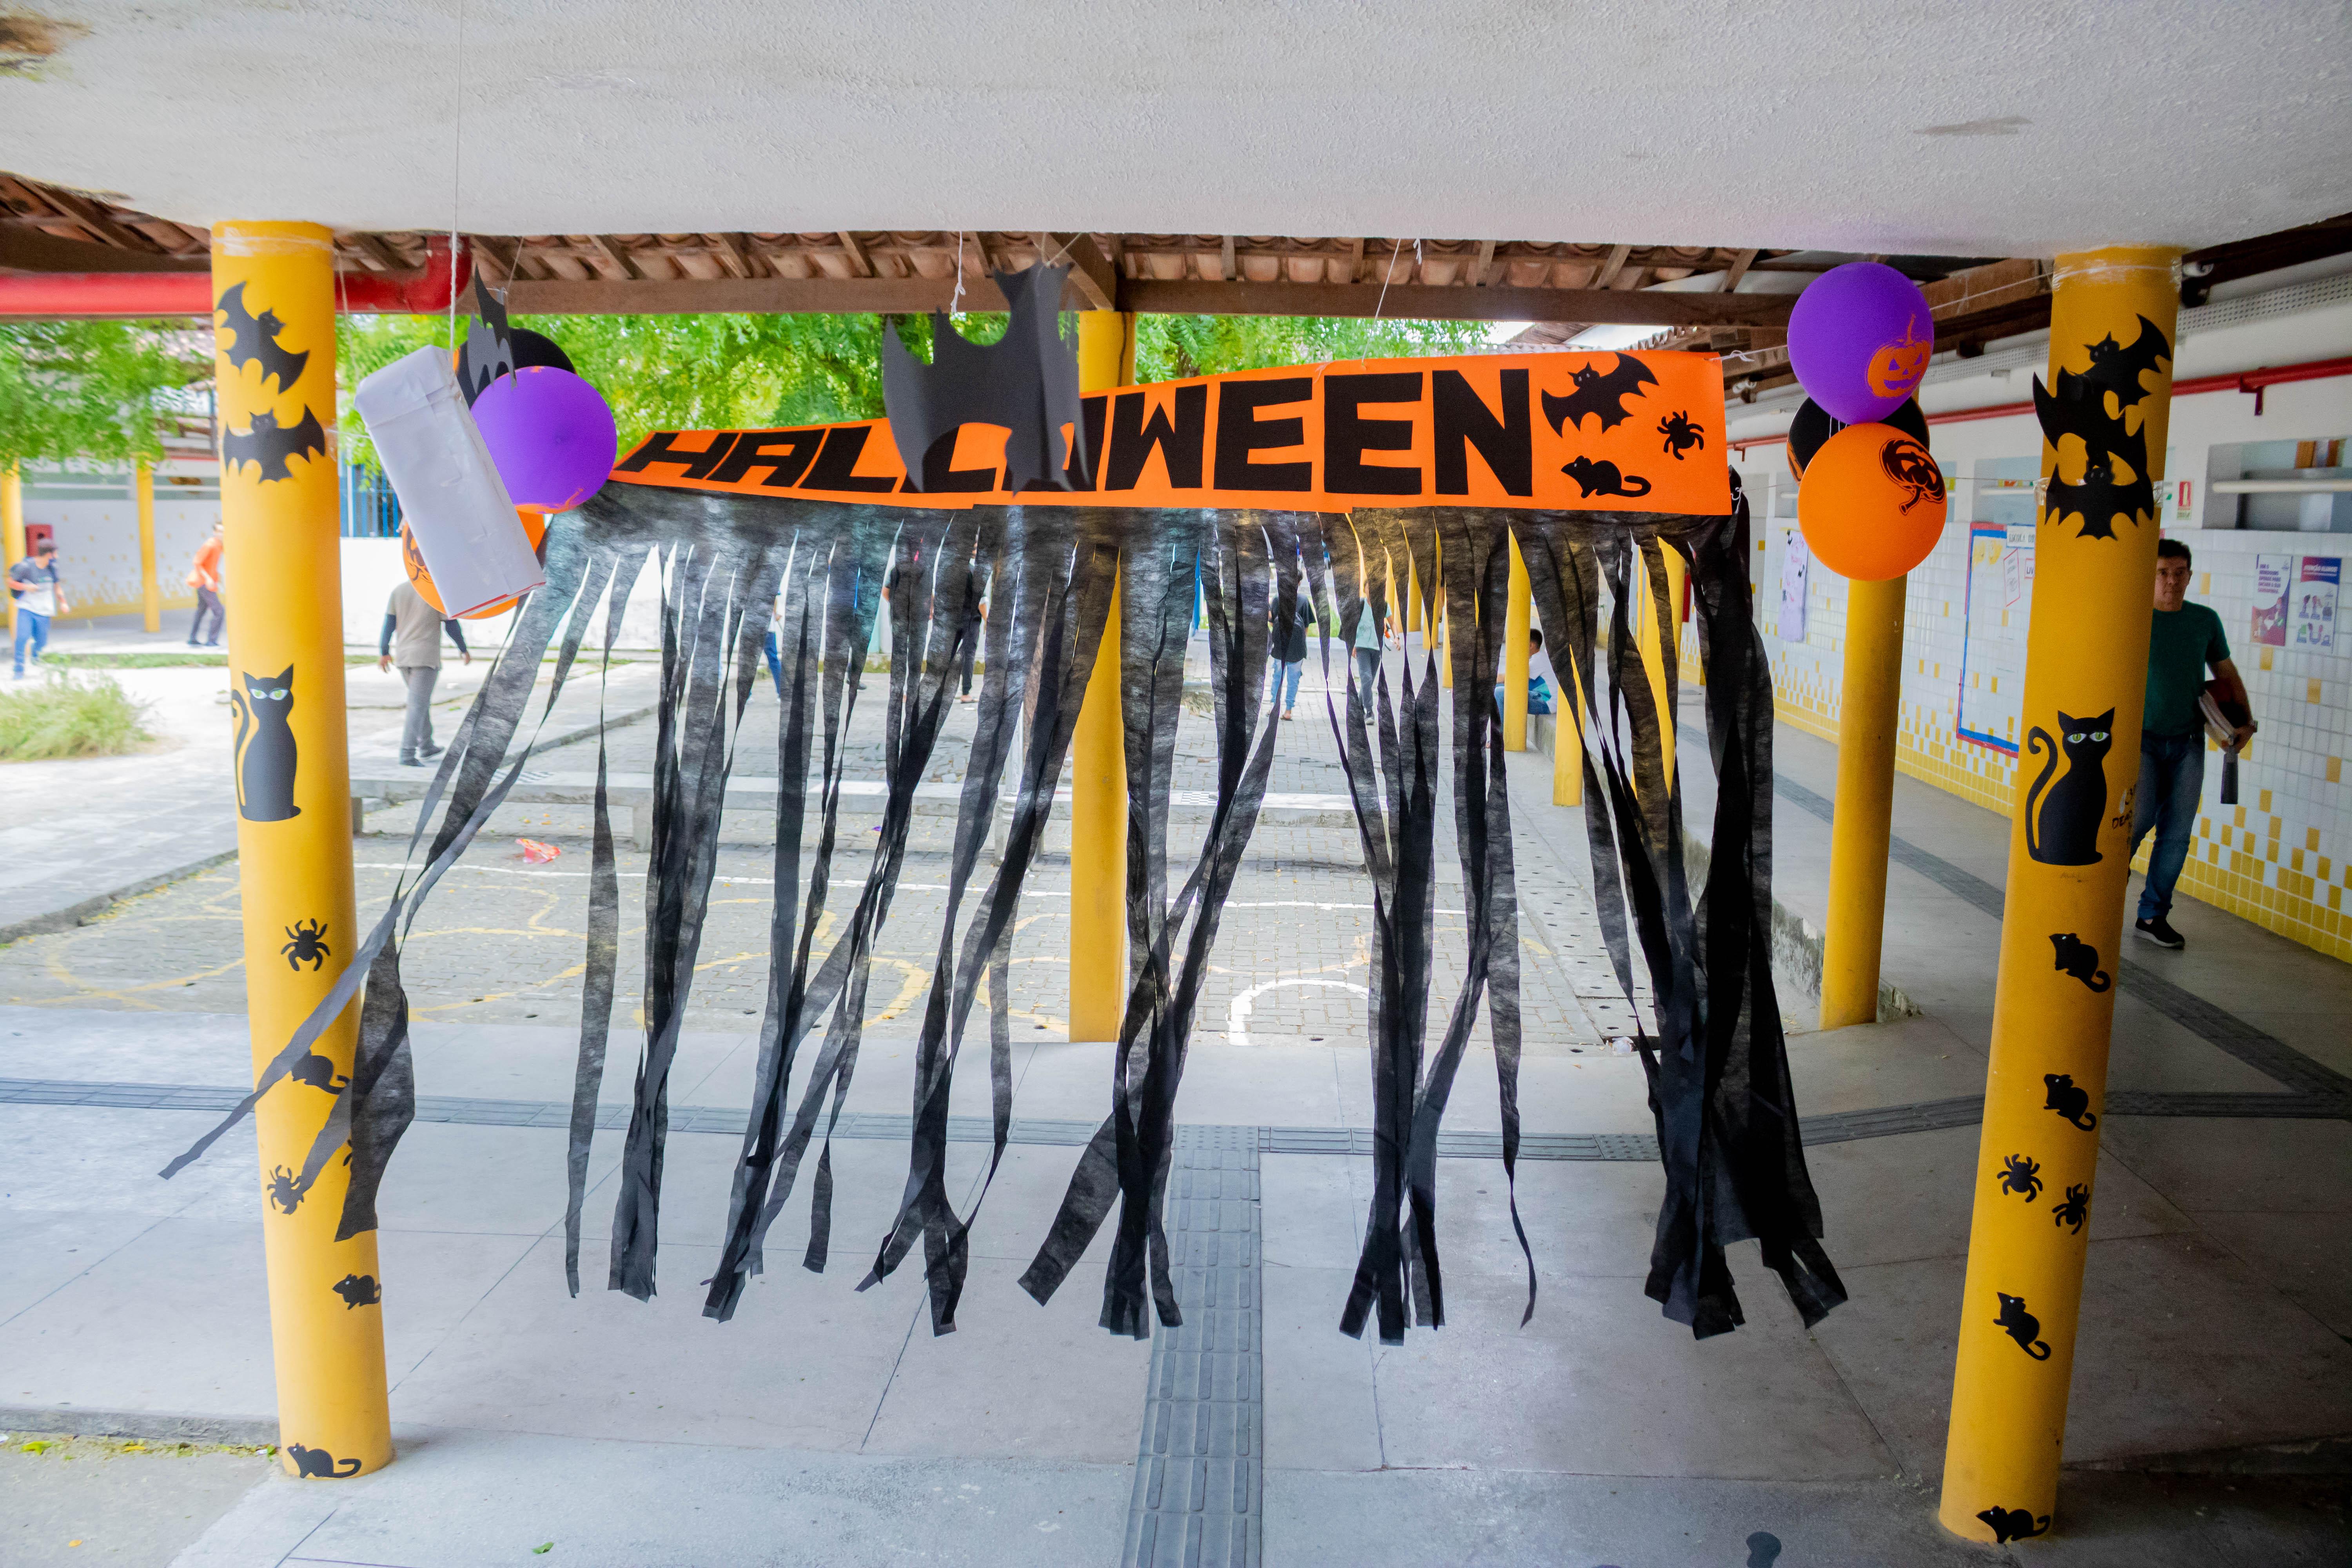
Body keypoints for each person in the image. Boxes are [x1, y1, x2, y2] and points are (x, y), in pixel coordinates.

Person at [2129, 538, 2254, 950]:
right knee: (2139, 818)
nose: (2171, 582)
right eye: (2163, 573)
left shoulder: (2204, 620)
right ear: (2150, 575)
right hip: (2141, 739)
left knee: (2178, 833)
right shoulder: (2132, 617)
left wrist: (2244, 721)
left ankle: (2153, 914)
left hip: (2188, 741)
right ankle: (2102, 889)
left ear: (2190, 576)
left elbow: (2226, 671)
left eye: (2180, 573)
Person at [379, 579, 471, 766]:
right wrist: (463, 648)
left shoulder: (399, 590)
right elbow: (451, 625)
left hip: (404, 657)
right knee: (417, 706)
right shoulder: (436, 591)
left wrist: (384, 652)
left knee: (419, 703)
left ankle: (427, 746)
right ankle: (407, 754)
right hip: (425, 657)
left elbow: (389, 623)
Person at [10, 539, 66, 680]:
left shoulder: (53, 568)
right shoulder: (26, 567)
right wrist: (26, 587)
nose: (57, 556)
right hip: (27, 608)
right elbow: (11, 582)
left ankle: (36, 655)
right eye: (56, 553)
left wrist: (63, 603)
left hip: (44, 611)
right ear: (49, 554)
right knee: (22, 638)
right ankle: (19, 669)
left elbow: (57, 588)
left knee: (41, 641)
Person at [1269, 590, 1313, 719]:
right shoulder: (1304, 600)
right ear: (1299, 583)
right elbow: (1306, 627)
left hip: (1280, 647)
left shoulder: (1277, 598)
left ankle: (1274, 707)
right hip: (1297, 649)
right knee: (1294, 679)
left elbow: (1272, 623)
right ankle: (1288, 711)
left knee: (1277, 677)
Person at [1493, 627, 1555, 716]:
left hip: (1547, 703)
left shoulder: (1539, 660)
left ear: (1531, 646)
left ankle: (1504, 730)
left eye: (1521, 643)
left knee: (1500, 693)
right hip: (1537, 696)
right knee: (1499, 687)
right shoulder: (1538, 658)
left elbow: (1508, 678)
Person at [187, 519, 225, 646]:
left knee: (201, 611)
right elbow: (197, 562)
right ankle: (212, 641)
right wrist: (208, 578)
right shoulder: (211, 545)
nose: (222, 534)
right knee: (219, 611)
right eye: (219, 531)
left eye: (224, 532)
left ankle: (192, 638)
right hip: (203, 583)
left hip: (205, 582)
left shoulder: (220, 545)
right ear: (215, 532)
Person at [1350, 592, 1390, 697]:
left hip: (1377, 648)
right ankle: (1369, 710)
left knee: (1369, 680)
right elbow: (1353, 625)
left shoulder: (1383, 605)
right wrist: (1353, 644)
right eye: (1369, 588)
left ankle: (1359, 704)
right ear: (1365, 589)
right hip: (1362, 647)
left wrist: (1397, 638)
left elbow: (1392, 622)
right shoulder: (1360, 605)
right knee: (1366, 677)